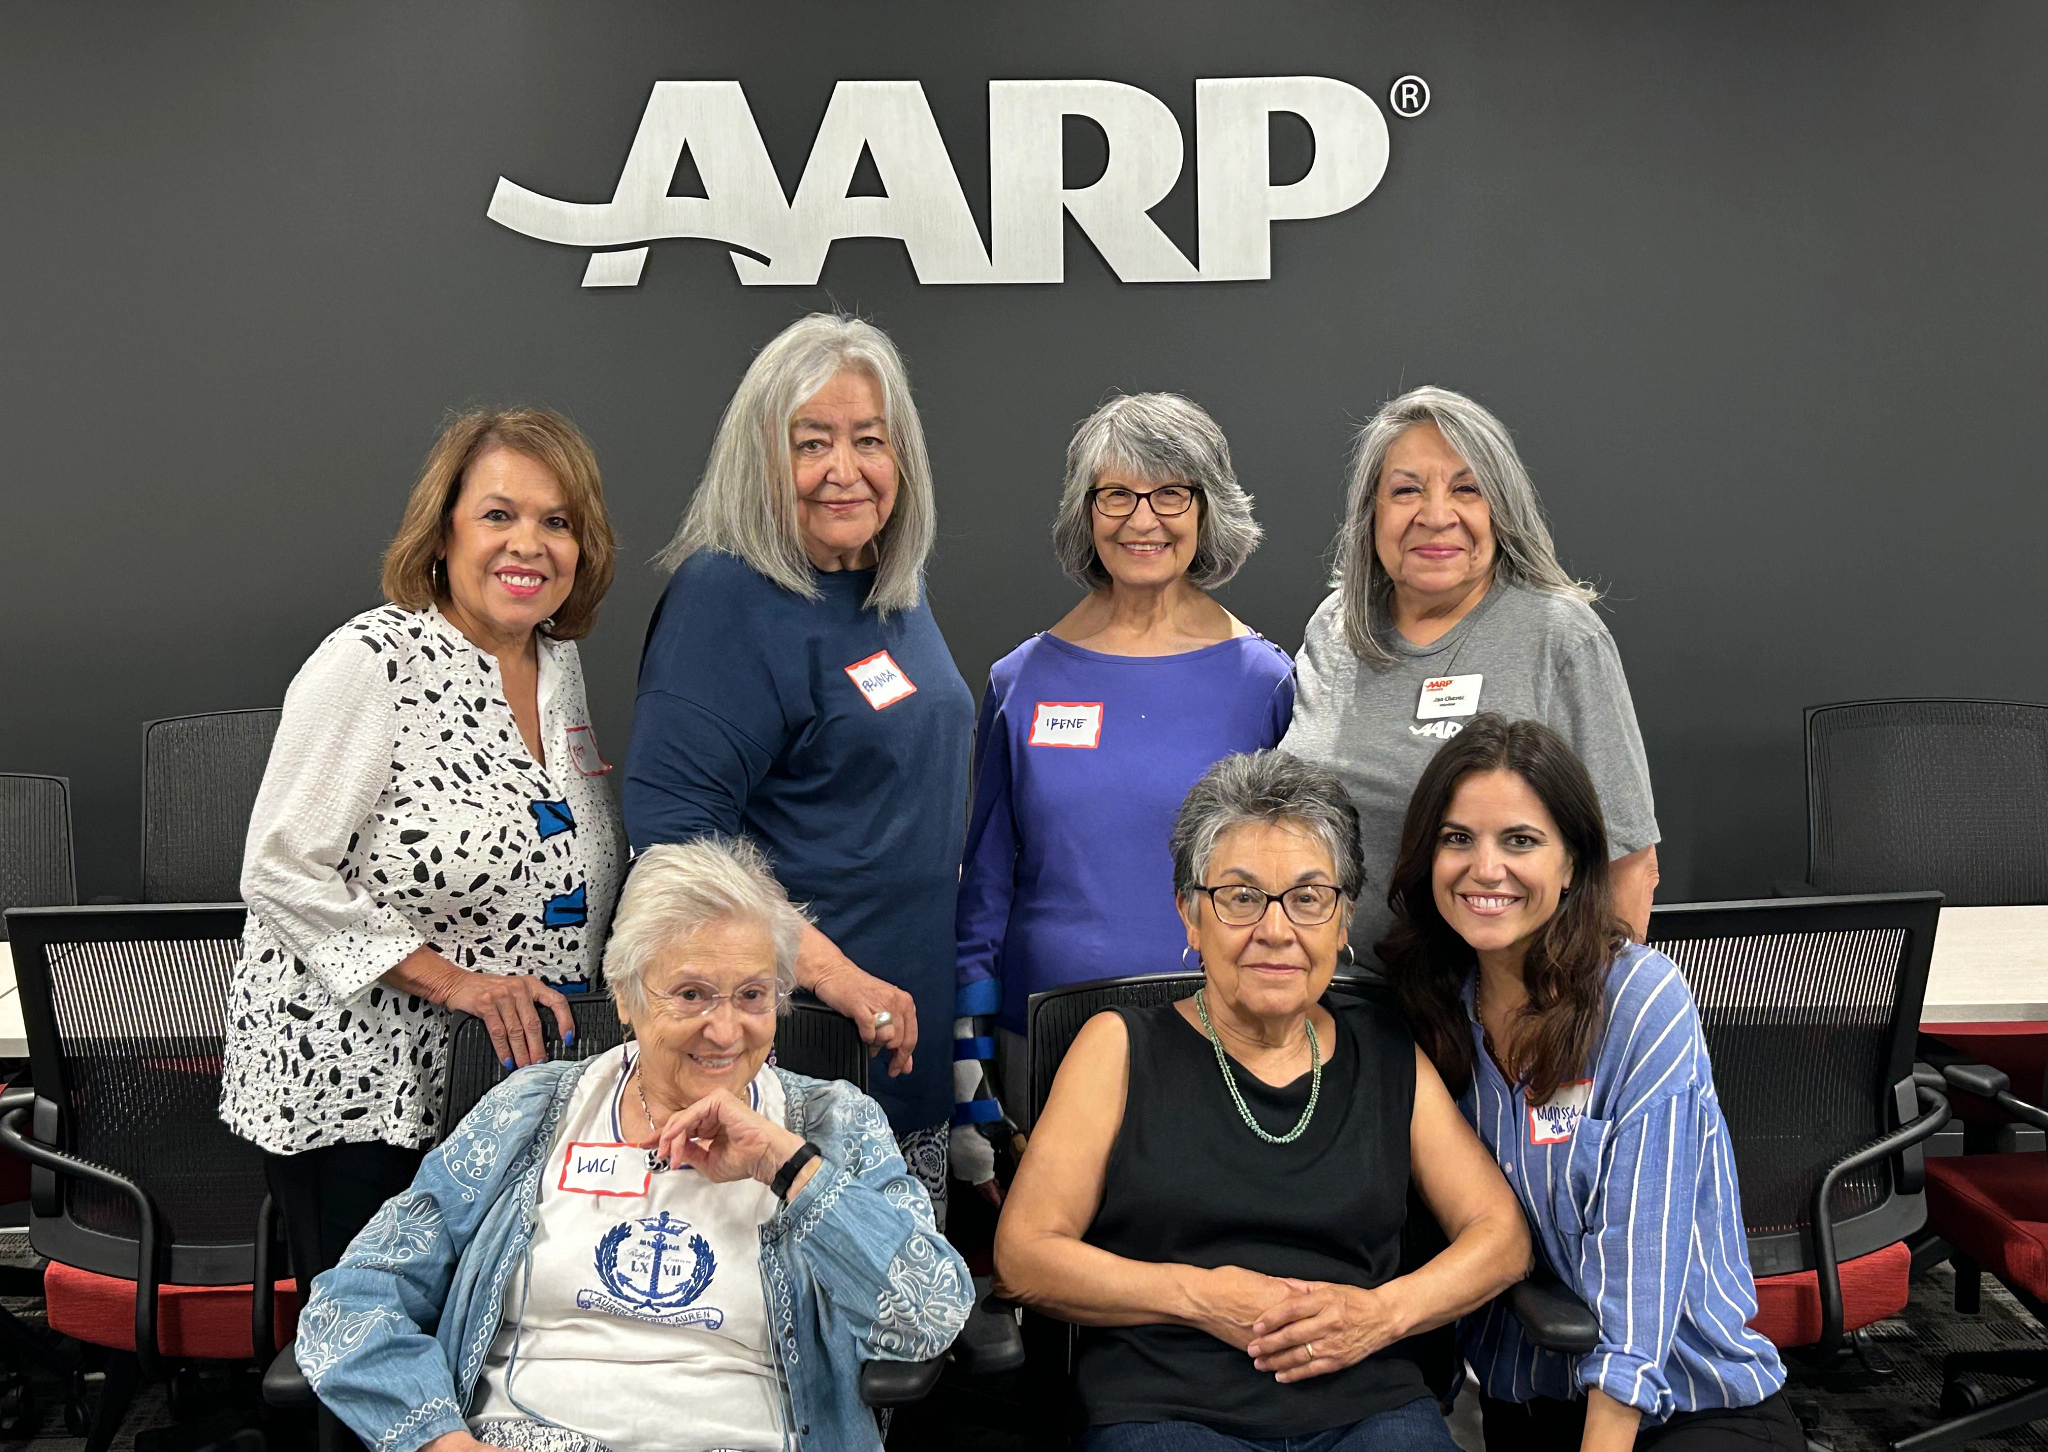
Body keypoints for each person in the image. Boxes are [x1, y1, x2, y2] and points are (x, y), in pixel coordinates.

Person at [295, 837, 974, 1452]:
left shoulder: (830, 1126)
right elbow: (353, 1298)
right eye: (691, 994)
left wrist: (787, 1167)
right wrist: (436, 1442)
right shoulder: (533, 1113)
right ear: (625, 996)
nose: (726, 1030)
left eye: (753, 995)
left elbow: (927, 1316)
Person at [995, 749, 1529, 1452]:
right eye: (1241, 897)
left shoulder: (1385, 1047)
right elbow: (1025, 1257)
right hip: (1166, 1409)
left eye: (1308, 898)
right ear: (1189, 913)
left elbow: (1499, 1235)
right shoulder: (1118, 1048)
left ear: (1342, 919)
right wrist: (1202, 1297)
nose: (1276, 930)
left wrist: (1381, 1315)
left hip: (1366, 1404)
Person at [221, 405, 623, 1298]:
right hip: (362, 1094)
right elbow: (280, 869)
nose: (530, 544)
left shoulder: (557, 669)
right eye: (499, 515)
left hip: (501, 1092)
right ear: (442, 534)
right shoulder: (371, 660)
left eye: (557, 522)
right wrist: (457, 982)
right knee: (376, 1343)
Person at [1382, 714, 1808, 1452]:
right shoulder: (1428, 1011)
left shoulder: (1641, 1002)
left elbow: (1642, 1264)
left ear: (1574, 861)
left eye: (1520, 841)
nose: (1486, 868)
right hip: (1528, 1404)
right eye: (1457, 838)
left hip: (1686, 1406)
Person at [624, 312, 974, 1221]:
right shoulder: (725, 597)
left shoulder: (888, 585)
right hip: (794, 1053)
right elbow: (675, 845)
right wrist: (832, 975)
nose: (843, 470)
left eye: (869, 440)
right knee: (792, 1335)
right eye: (810, 442)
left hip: (903, 1047)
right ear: (758, 458)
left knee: (899, 1331)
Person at [956, 392, 1295, 1126]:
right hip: (1041, 1042)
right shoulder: (1021, 682)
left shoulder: (1265, 682)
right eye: (1116, 495)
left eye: (1170, 493)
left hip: (1220, 1041)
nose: (1143, 520)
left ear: (1207, 509)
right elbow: (984, 890)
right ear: (1084, 512)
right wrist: (969, 1078)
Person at [1281, 386, 1659, 967]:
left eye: (1467, 489)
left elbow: (1629, 864)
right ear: (1371, 514)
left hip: (1495, 1017)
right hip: (1335, 1004)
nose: (1436, 516)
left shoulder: (1559, 635)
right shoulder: (1335, 628)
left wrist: (1582, 1019)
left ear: (1501, 510)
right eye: (1406, 490)